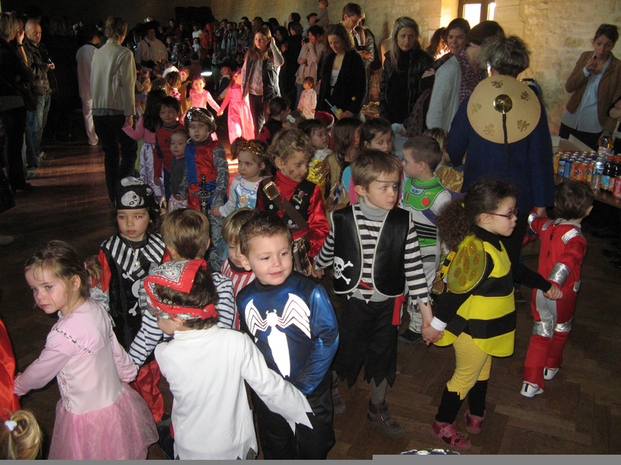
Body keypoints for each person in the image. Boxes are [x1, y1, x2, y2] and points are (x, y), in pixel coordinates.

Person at [421, 179, 559, 450]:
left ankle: (477, 411)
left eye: (515, 212)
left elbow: (513, 269)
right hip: (472, 330)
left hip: (487, 328)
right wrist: (434, 326)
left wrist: (545, 285)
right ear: (485, 217)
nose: (515, 219)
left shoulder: (494, 242)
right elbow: (455, 295)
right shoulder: (478, 252)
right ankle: (442, 422)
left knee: (482, 370)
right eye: (509, 214)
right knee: (465, 376)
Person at [314, 150, 433, 438]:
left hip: (387, 305)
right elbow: (331, 248)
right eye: (384, 186)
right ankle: (331, 385)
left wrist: (427, 317)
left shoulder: (404, 222)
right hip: (354, 304)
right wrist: (317, 265)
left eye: (395, 185)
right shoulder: (341, 219)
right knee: (346, 350)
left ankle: (377, 406)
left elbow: (415, 270)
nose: (392, 192)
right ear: (361, 190)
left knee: (383, 356)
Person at [147, 258, 313, 460]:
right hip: (234, 446)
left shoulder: (164, 353)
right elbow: (269, 386)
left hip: (190, 447)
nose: (155, 320)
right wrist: (303, 412)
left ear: (177, 321)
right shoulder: (236, 342)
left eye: (157, 315)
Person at [15, 240, 158, 459]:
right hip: (115, 403)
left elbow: (40, 373)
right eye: (35, 289)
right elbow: (113, 345)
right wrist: (127, 371)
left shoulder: (63, 334)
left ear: (74, 282)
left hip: (85, 418)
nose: (40, 296)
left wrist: (17, 386)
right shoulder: (96, 307)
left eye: (48, 287)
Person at [447, 36, 557, 303]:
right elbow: (541, 156)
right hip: (519, 195)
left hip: (480, 193)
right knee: (507, 253)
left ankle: (476, 297)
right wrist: (541, 203)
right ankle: (505, 296)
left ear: (490, 67)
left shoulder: (474, 101)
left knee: (478, 249)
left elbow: (454, 148)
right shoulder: (533, 104)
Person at [237, 211, 339, 459]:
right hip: (269, 392)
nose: (277, 263)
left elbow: (327, 337)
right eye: (265, 257)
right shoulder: (245, 298)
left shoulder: (309, 291)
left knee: (314, 447)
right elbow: (248, 342)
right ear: (245, 261)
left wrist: (304, 386)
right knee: (276, 447)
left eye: (283, 253)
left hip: (310, 392)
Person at [92, 177, 166, 423]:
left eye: (138, 216)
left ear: (150, 216)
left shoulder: (161, 246)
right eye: (122, 216)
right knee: (130, 373)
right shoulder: (109, 250)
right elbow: (100, 290)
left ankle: (151, 416)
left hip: (155, 325)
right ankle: (140, 417)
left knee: (151, 371)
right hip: (123, 326)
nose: (130, 223)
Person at [129, 208, 236, 367]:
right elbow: (224, 330)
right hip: (214, 366)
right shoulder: (222, 283)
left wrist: (127, 368)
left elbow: (147, 335)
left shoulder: (160, 286)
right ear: (207, 244)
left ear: (170, 249)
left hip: (177, 366)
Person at [521, 180, 593, 397]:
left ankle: (530, 382)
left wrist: (535, 207)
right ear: (589, 210)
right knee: (561, 328)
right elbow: (569, 260)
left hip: (539, 291)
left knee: (540, 333)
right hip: (562, 294)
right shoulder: (576, 237)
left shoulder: (546, 226)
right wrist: (555, 283)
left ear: (555, 204)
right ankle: (550, 366)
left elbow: (532, 219)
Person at [398, 135, 452, 343]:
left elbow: (447, 229)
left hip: (426, 251)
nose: (402, 163)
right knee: (401, 286)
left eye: (405, 160)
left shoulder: (440, 197)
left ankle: (417, 325)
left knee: (419, 291)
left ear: (421, 165)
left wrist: (448, 257)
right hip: (405, 246)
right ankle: (396, 320)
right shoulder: (409, 183)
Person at [256, 128, 329, 276]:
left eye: (306, 164)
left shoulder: (311, 190)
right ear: (280, 162)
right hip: (272, 253)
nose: (305, 170)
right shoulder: (265, 187)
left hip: (302, 255)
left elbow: (319, 227)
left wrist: (316, 259)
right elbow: (258, 221)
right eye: (298, 164)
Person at [91, 16, 138, 202]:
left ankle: (113, 194)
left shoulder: (97, 52)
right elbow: (127, 85)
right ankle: (122, 188)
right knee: (129, 149)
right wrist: (130, 112)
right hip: (117, 109)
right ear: (123, 31)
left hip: (98, 109)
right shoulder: (124, 53)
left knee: (110, 153)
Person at [426, 20, 504, 131]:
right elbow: (434, 114)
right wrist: (440, 143)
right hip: (451, 137)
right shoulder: (451, 69)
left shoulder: (482, 69)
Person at [560, 24, 621, 150]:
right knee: (561, 162)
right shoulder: (585, 57)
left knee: (586, 165)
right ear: (593, 42)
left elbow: (615, 103)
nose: (602, 49)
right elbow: (569, 87)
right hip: (571, 120)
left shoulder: (617, 67)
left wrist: (607, 132)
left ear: (613, 46)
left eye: (607, 45)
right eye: (598, 44)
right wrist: (585, 71)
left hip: (594, 126)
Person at [184, 107, 229, 270]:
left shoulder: (215, 148)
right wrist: (182, 191)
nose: (196, 131)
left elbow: (223, 174)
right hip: (193, 199)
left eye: (201, 126)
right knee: (197, 235)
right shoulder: (188, 147)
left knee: (216, 237)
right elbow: (186, 170)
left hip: (213, 201)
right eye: (192, 127)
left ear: (209, 128)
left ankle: (217, 270)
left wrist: (217, 199)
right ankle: (198, 268)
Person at [0, 12, 33, 193]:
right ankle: (17, 180)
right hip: (12, 99)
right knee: (14, 143)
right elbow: (26, 73)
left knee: (9, 143)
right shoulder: (9, 50)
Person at [379, 17, 434, 125]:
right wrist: (384, 115)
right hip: (390, 119)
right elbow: (384, 89)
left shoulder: (424, 59)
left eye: (411, 36)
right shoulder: (390, 58)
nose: (407, 41)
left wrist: (410, 121)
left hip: (413, 121)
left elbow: (425, 97)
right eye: (403, 36)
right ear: (396, 37)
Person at [123, 89, 166, 203]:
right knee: (160, 177)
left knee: (149, 177)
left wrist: (126, 128)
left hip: (148, 151)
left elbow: (137, 136)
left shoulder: (144, 118)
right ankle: (159, 202)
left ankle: (150, 202)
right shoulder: (165, 119)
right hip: (162, 150)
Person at [241, 25, 284, 137]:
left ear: (268, 39)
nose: (258, 42)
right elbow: (245, 71)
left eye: (261, 39)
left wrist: (273, 46)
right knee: (257, 122)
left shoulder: (272, 54)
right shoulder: (251, 54)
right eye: (256, 39)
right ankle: (259, 144)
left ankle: (271, 144)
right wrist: (244, 90)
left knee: (270, 121)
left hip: (269, 93)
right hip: (254, 93)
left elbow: (280, 62)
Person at [23, 19, 54, 170]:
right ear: (26, 33)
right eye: (35, 32)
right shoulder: (26, 49)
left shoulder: (41, 47)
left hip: (45, 89)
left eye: (40, 32)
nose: (38, 35)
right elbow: (29, 70)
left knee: (41, 125)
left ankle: (37, 152)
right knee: (35, 126)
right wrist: (44, 68)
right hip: (36, 91)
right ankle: (34, 155)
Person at [317, 23, 366, 118]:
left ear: (344, 40)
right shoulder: (329, 58)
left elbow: (361, 88)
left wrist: (352, 110)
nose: (333, 46)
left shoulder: (355, 58)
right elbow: (323, 86)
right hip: (329, 107)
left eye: (337, 42)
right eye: (330, 43)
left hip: (347, 107)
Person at [320, 117, 362, 222]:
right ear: (345, 137)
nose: (363, 135)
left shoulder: (364, 161)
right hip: (334, 214)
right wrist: (329, 200)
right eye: (359, 133)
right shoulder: (332, 160)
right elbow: (327, 187)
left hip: (356, 213)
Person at [211, 138, 267, 218]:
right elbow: (232, 204)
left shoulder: (267, 184)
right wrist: (220, 210)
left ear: (261, 166)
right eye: (240, 162)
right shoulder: (237, 183)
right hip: (239, 225)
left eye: (248, 164)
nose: (242, 168)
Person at [220, 208, 257, 302]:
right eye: (232, 247)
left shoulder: (260, 276)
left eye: (244, 248)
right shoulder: (226, 265)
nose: (237, 254)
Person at [154, 96, 184, 205]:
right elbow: (158, 154)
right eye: (163, 112)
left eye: (170, 111)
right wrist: (156, 173)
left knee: (184, 195)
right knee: (169, 194)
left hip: (183, 169)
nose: (167, 115)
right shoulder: (160, 133)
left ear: (177, 112)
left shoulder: (183, 130)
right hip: (168, 170)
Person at [75, 25, 100, 146]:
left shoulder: (79, 51)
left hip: (84, 86)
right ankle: (100, 136)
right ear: (95, 37)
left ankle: (92, 138)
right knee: (99, 112)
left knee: (88, 114)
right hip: (96, 88)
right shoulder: (95, 52)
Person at [217, 69, 255, 144]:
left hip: (244, 110)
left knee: (246, 127)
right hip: (234, 110)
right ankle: (236, 144)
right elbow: (227, 99)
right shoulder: (230, 89)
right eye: (241, 78)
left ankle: (248, 143)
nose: (242, 80)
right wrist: (221, 109)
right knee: (235, 127)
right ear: (235, 78)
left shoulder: (246, 88)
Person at [299, 118, 332, 190]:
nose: (325, 137)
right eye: (320, 135)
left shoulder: (331, 154)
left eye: (326, 133)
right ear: (308, 138)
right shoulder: (305, 158)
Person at [166, 129, 189, 212]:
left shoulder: (187, 162)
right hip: (175, 197)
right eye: (172, 143)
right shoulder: (173, 160)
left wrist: (185, 192)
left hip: (185, 199)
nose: (175, 147)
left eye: (180, 143)